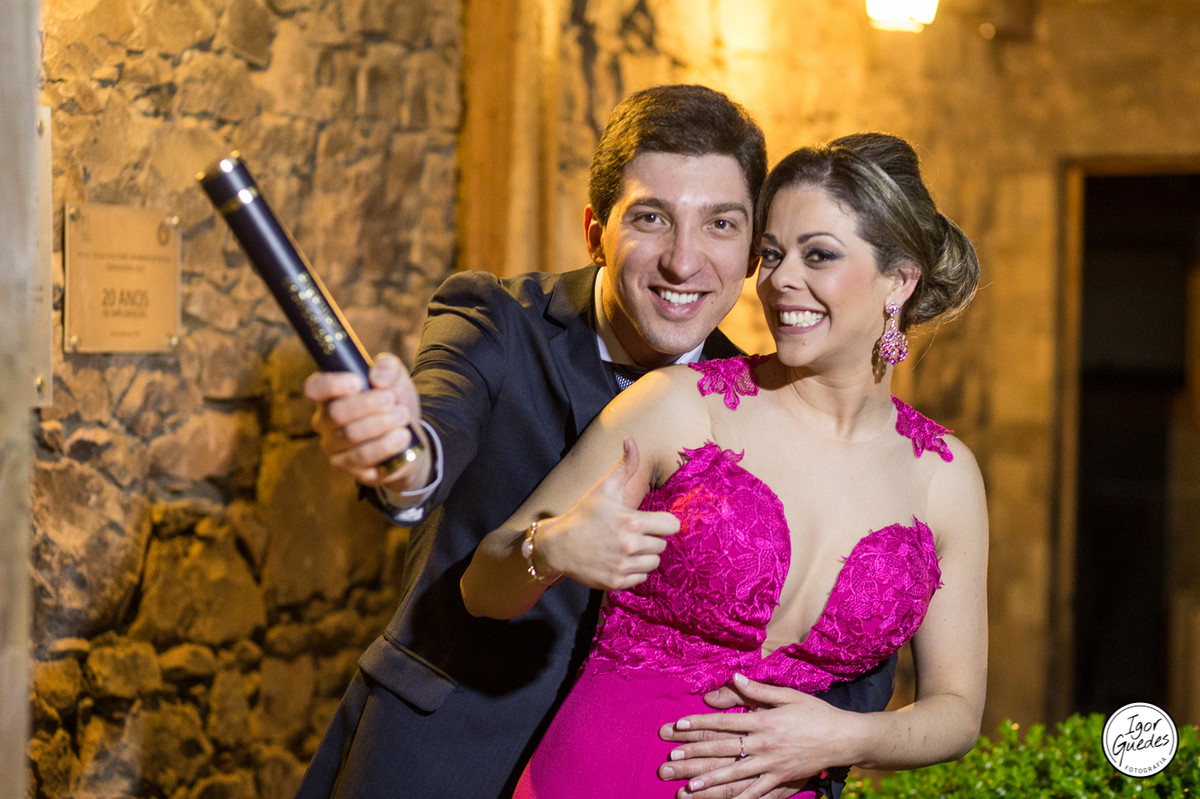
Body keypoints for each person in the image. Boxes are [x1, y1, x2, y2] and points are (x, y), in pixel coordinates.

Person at [294, 87, 899, 799]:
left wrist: (810, 756)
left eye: (720, 224)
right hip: (442, 752)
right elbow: (430, 442)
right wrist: (396, 451)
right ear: (594, 232)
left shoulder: (764, 401)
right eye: (651, 217)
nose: (683, 261)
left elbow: (837, 637)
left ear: (750, 254)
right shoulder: (493, 319)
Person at [460, 131, 989, 798]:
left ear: (900, 281)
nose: (780, 280)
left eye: (818, 255)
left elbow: (957, 711)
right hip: (602, 778)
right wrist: (552, 546)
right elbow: (481, 587)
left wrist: (845, 738)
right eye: (771, 254)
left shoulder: (945, 476)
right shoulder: (677, 406)